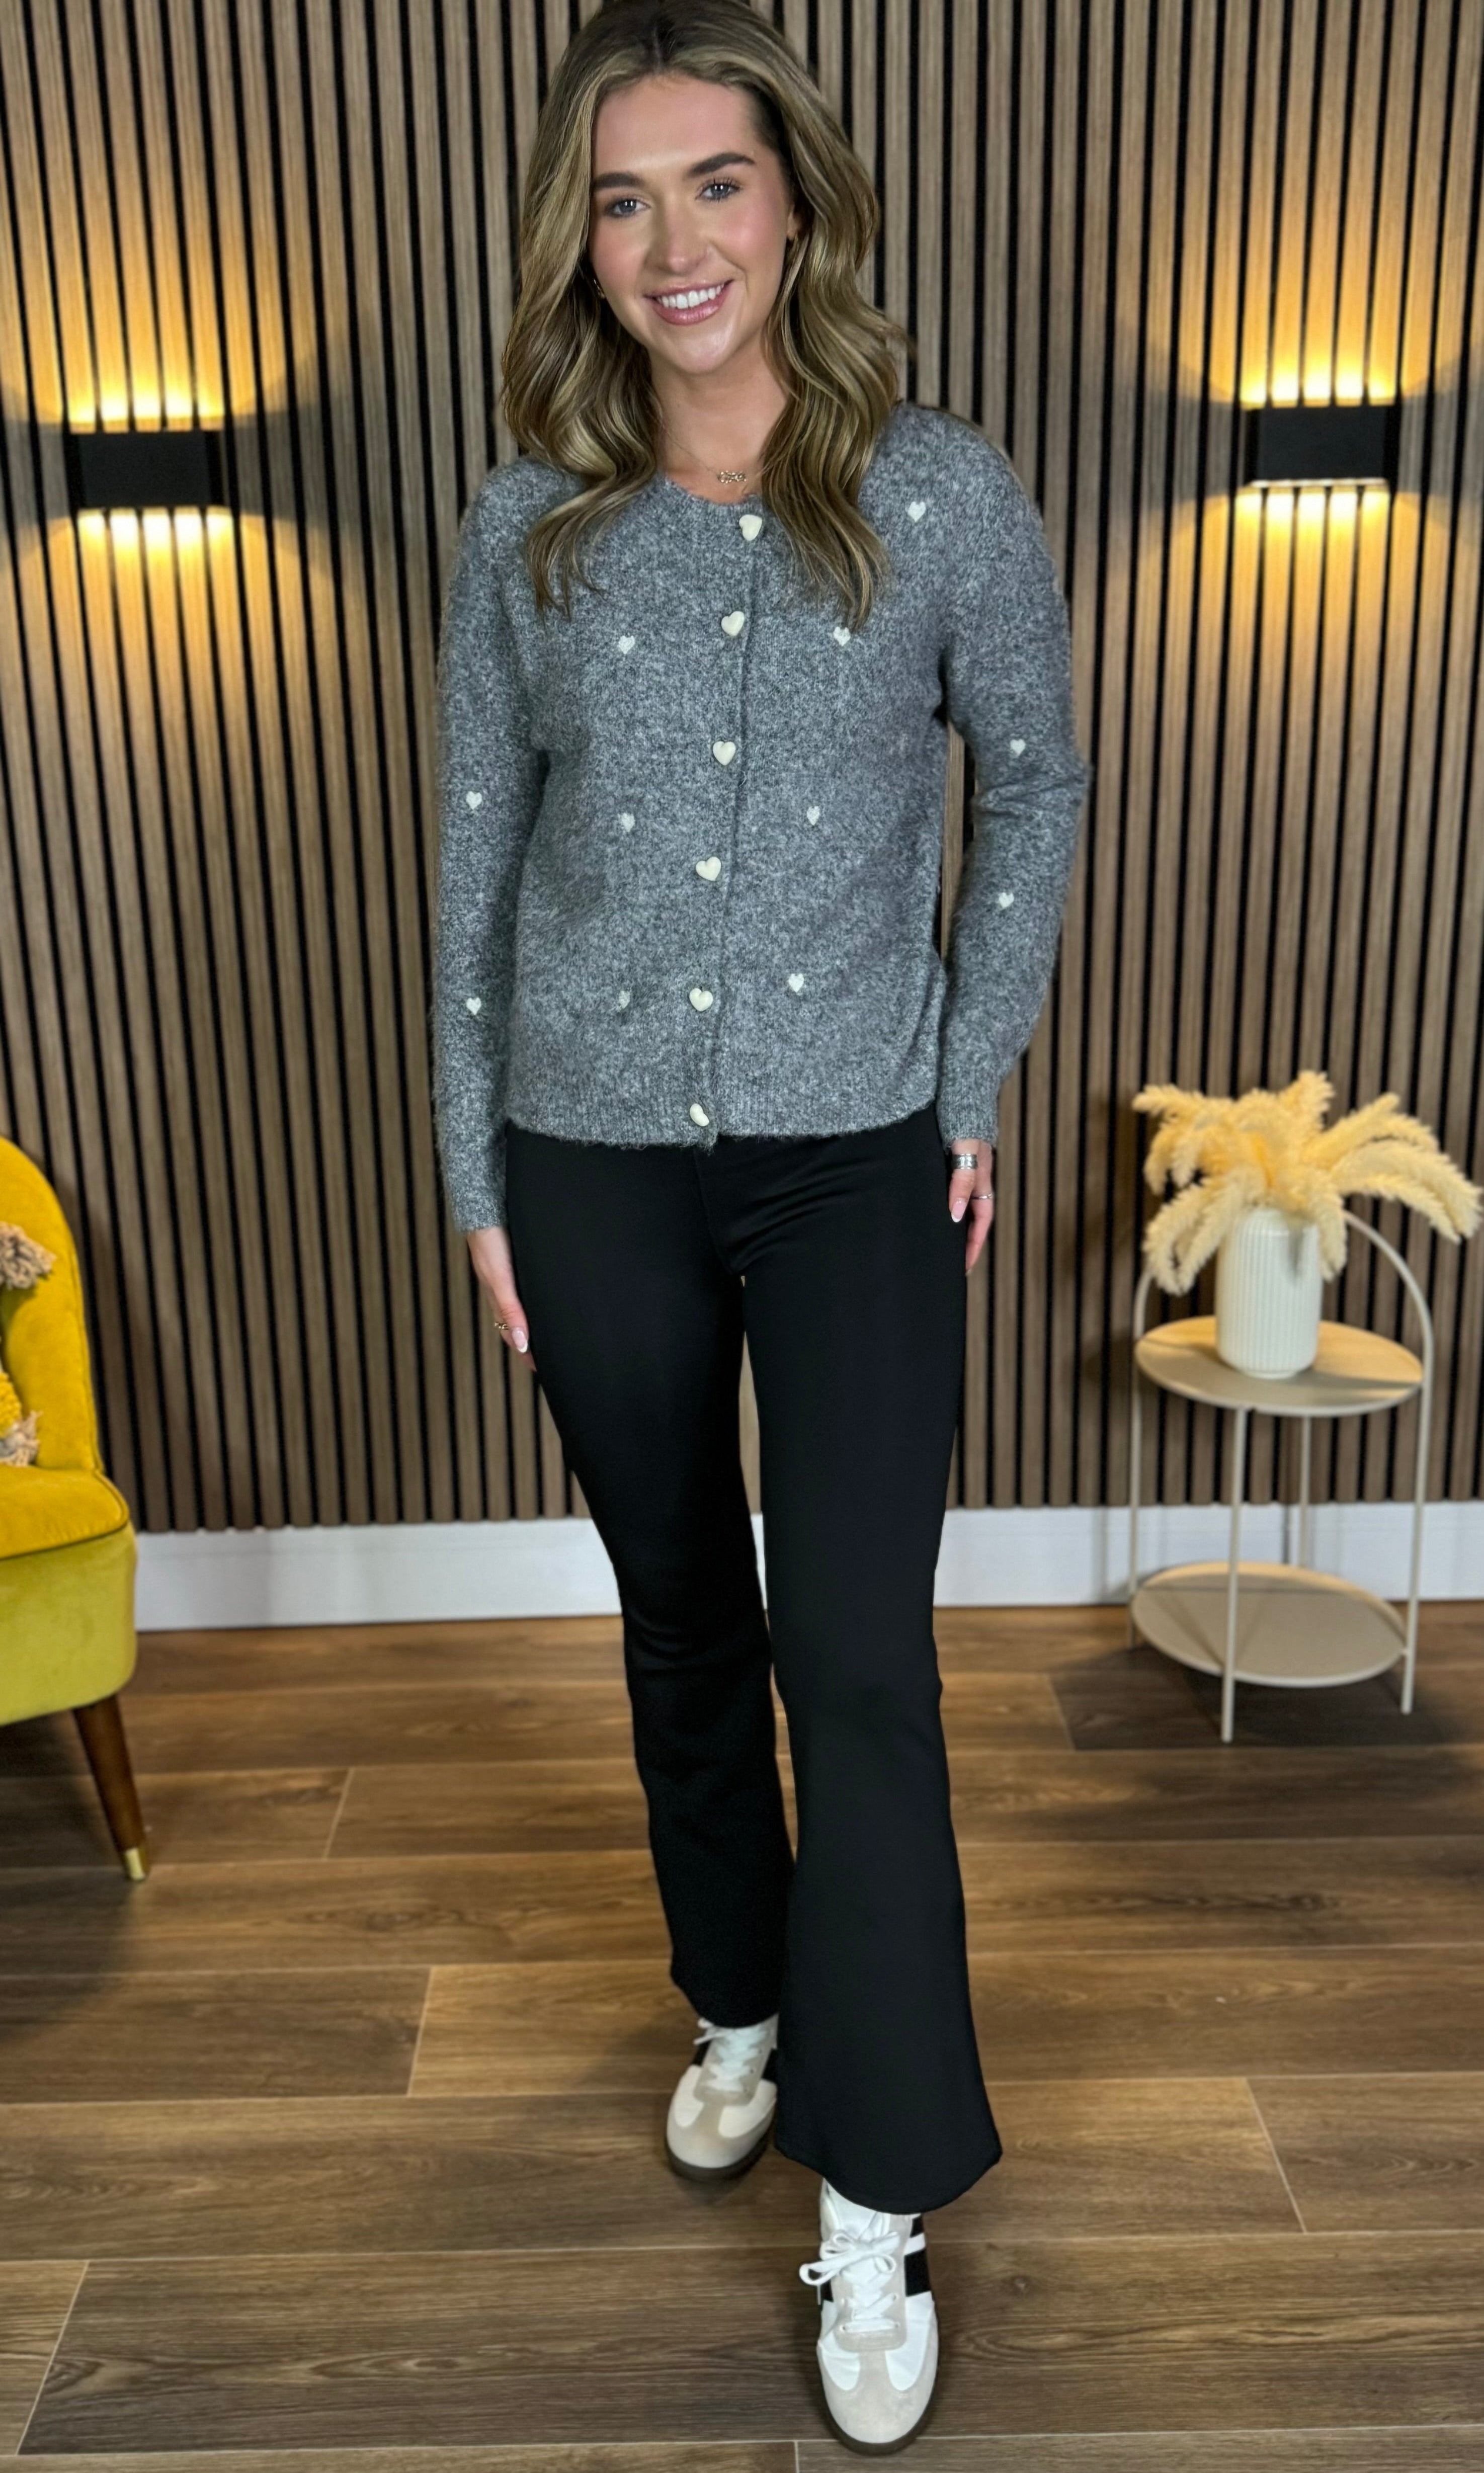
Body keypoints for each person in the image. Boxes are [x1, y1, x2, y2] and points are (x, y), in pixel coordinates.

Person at [431, 1, 1091, 2450]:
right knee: (683, 1614)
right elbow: (474, 869)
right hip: (590, 1150)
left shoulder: (940, 493)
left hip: (852, 1158)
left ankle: (876, 2195)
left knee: (862, 1658)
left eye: (714, 182)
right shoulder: (532, 522)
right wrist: (479, 1174)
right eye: (623, 199)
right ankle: (741, 1999)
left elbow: (1034, 784)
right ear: (580, 242)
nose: (673, 240)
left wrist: (967, 1073)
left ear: (796, 202)